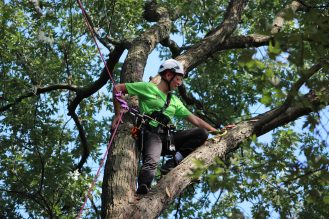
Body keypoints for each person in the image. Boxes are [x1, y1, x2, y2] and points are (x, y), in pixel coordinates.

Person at [112, 59, 219, 195]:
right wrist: (118, 113)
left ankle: (173, 162)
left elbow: (196, 120)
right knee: (151, 162)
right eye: (178, 79)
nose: (179, 83)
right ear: (168, 75)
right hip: (150, 134)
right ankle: (143, 189)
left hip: (168, 138)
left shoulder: (174, 100)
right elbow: (118, 89)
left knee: (201, 133)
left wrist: (217, 131)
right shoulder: (148, 88)